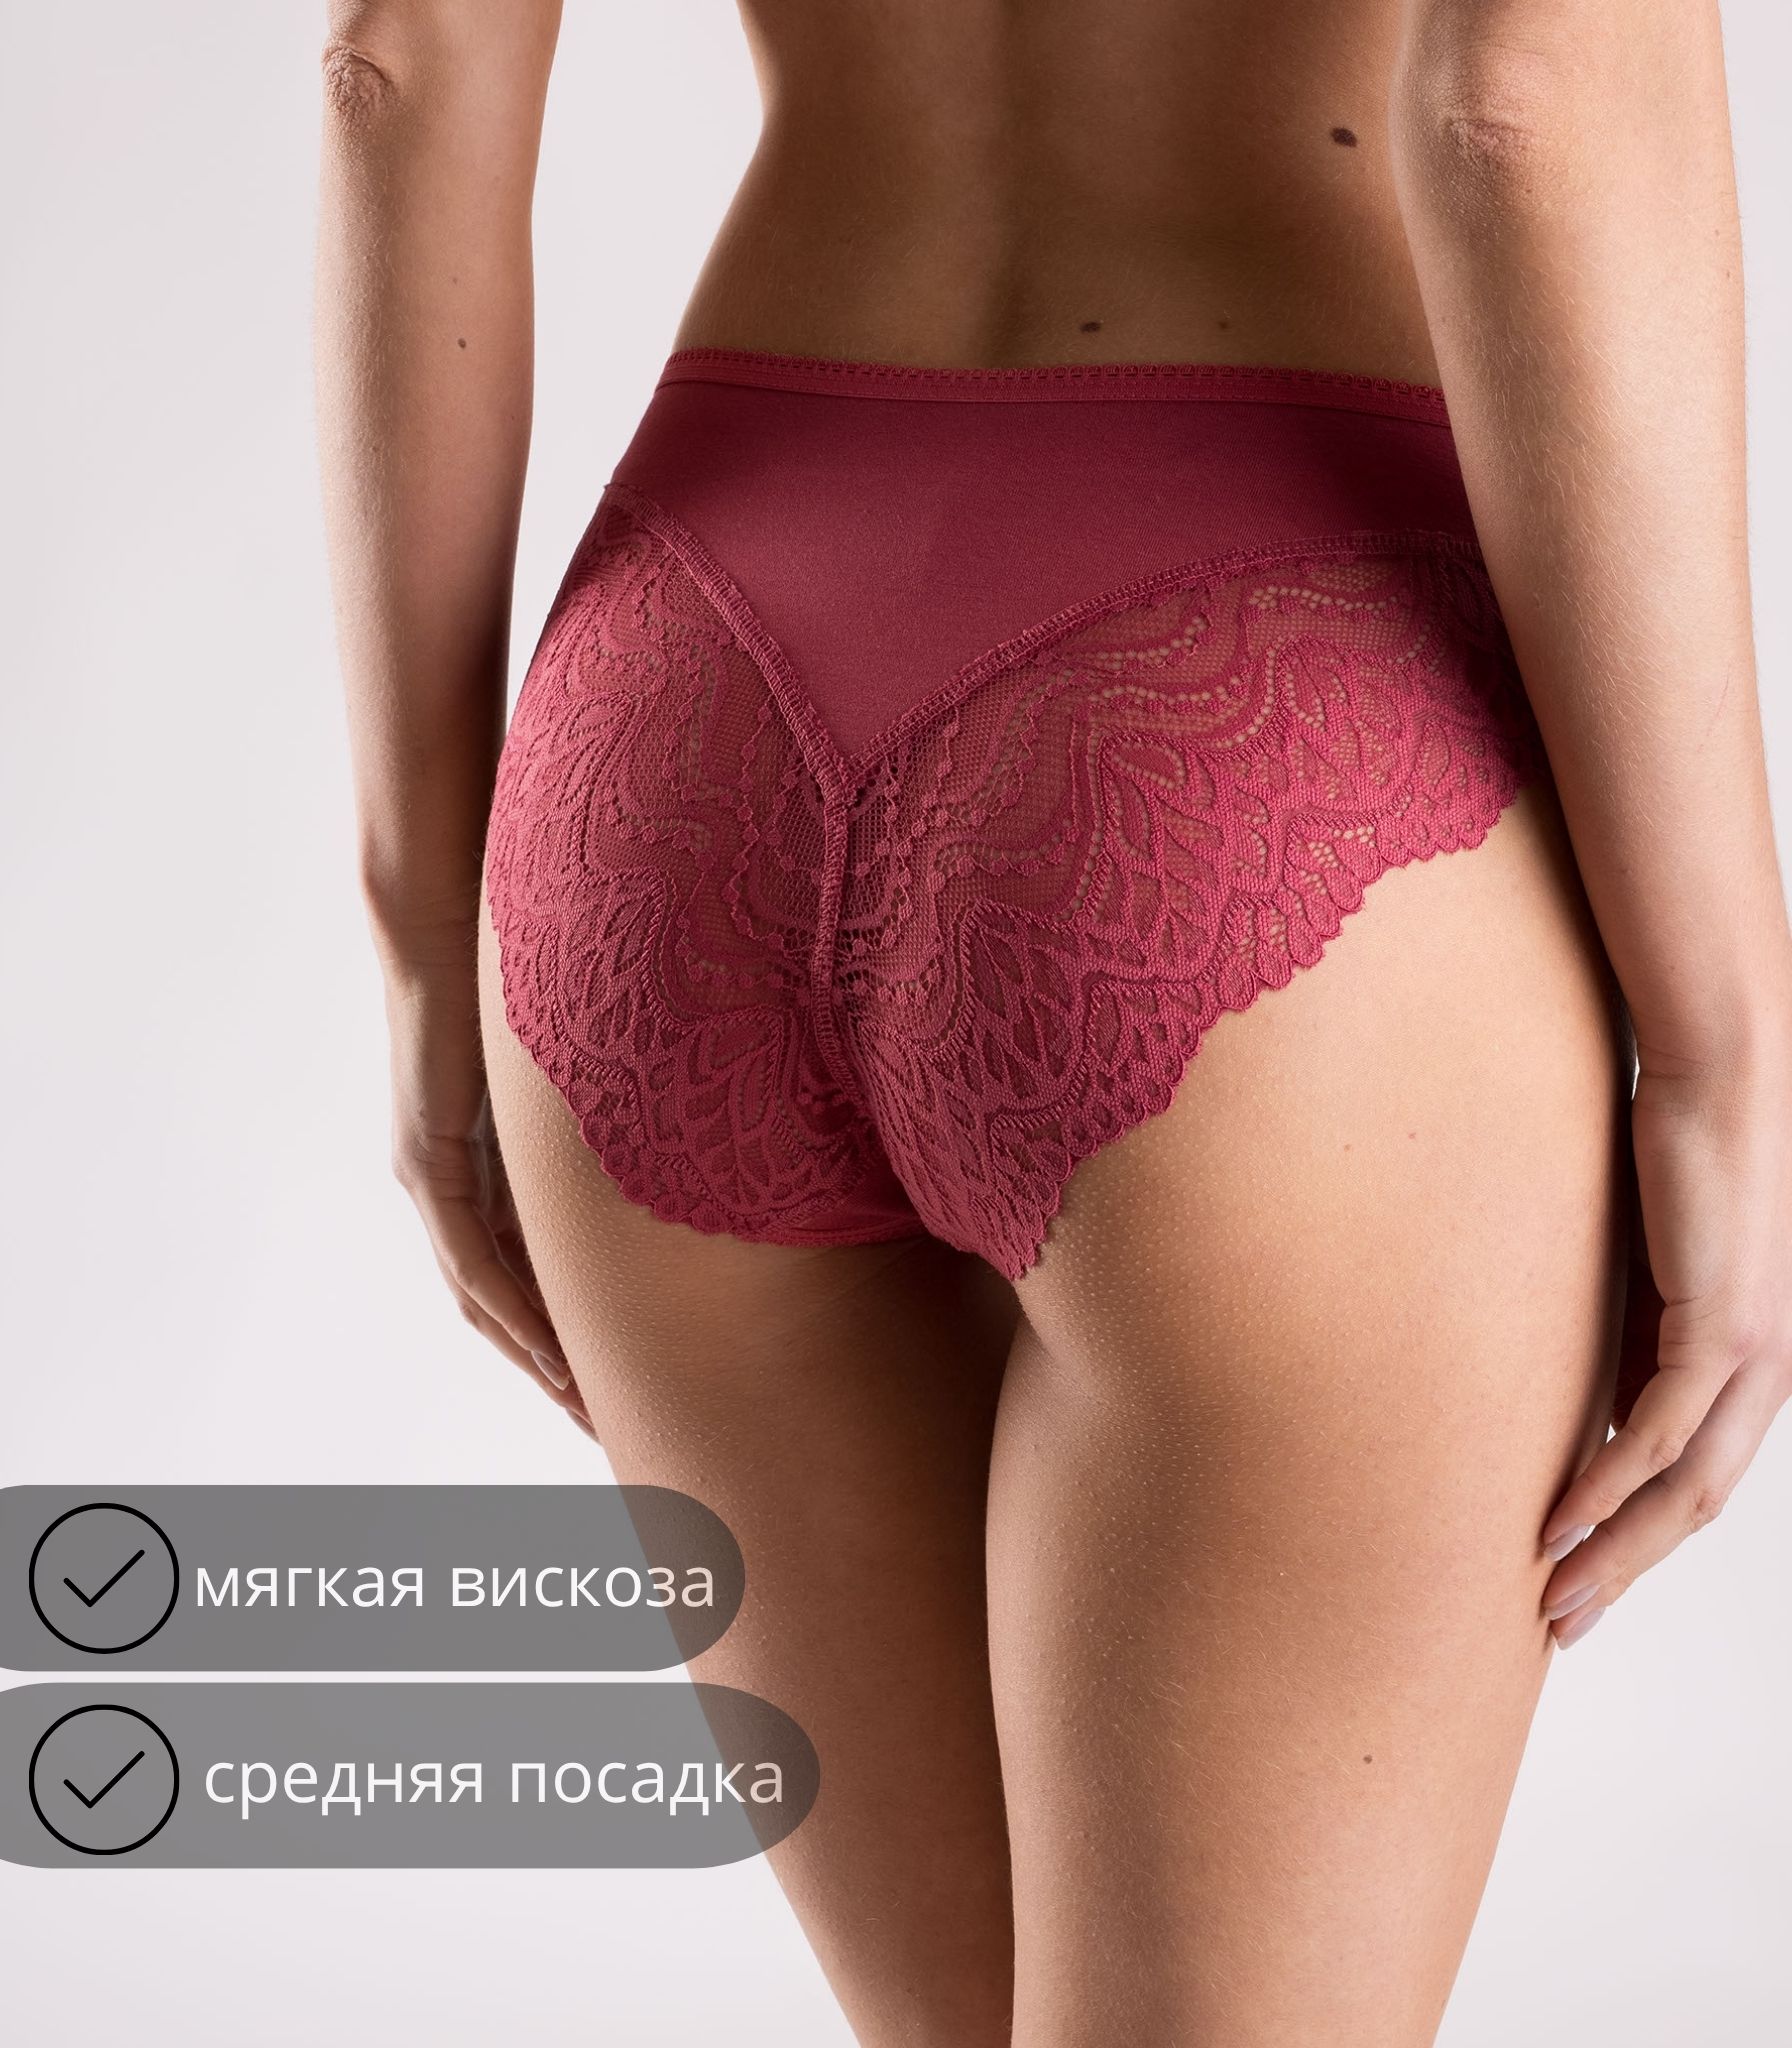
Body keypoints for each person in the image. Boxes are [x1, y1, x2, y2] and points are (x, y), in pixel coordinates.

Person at [314, 3, 1792, 2041]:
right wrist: (1721, 1049)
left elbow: (394, 65)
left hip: (671, 719)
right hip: (1259, 699)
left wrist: (425, 940)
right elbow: (1519, 104)